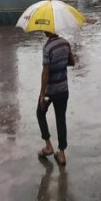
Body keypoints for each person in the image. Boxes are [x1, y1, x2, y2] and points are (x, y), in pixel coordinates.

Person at [37, 31, 75, 166]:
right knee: (61, 119)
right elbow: (72, 62)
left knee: (40, 113)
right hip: (63, 89)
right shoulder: (65, 43)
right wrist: (61, 62)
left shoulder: (47, 48)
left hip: (50, 91)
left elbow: (45, 73)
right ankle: (62, 154)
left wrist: (42, 94)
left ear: (48, 30)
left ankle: (48, 146)